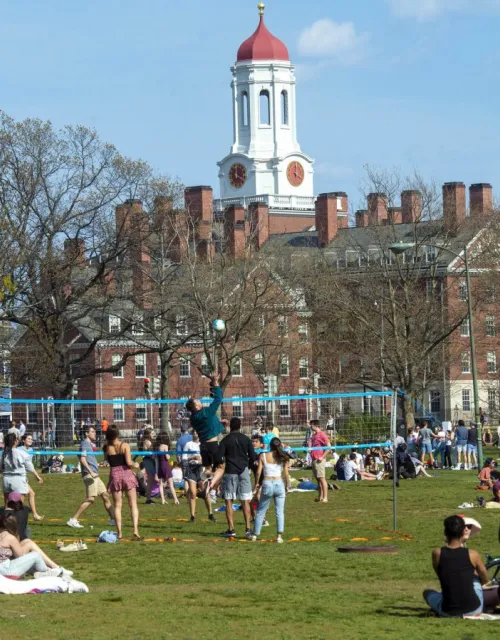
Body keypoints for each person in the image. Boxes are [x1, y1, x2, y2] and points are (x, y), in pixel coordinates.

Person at [423, 515, 488, 617]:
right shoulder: (473, 554)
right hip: (474, 610)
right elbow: (484, 578)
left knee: (427, 593)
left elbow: (441, 574)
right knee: (475, 579)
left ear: (445, 532)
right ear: (463, 532)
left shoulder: (437, 553)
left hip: (448, 611)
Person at [67, 426, 115, 529]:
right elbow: (83, 459)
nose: (95, 433)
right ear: (86, 433)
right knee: (91, 499)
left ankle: (113, 520)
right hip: (90, 475)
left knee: (105, 495)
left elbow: (87, 459)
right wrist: (91, 472)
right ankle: (73, 520)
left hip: (95, 475)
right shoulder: (85, 444)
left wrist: (98, 464)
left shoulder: (88, 444)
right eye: (92, 432)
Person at [0, 512, 71, 579]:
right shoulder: (9, 537)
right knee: (36, 555)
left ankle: (52, 570)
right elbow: (20, 557)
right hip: (5, 571)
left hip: (4, 567)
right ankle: (48, 571)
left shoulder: (3, 535)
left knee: (27, 542)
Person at [218, 417, 257, 539]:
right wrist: (248, 466)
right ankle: (248, 529)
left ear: (230, 426)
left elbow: (219, 457)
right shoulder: (246, 439)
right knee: (245, 500)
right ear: (240, 426)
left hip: (230, 471)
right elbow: (253, 456)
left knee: (229, 500)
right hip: (243, 470)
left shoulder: (225, 440)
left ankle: (231, 529)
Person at [186, 373, 224, 489]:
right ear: (196, 407)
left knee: (208, 469)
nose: (200, 402)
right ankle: (211, 486)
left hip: (203, 446)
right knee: (221, 468)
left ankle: (204, 480)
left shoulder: (193, 418)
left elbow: (208, 423)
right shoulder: (206, 413)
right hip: (212, 445)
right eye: (198, 402)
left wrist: (218, 422)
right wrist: (216, 384)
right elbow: (218, 399)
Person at [103, 426, 141, 540]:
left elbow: (109, 463)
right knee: (133, 504)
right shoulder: (124, 445)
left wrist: (109, 482)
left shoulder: (106, 448)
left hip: (115, 475)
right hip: (126, 474)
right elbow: (129, 462)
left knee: (117, 506)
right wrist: (136, 465)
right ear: (117, 434)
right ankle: (135, 529)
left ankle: (119, 532)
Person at [251, 438, 290, 543]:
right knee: (279, 511)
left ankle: (255, 534)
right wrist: (288, 485)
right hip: (279, 484)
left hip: (267, 483)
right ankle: (279, 536)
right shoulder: (283, 457)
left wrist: (256, 484)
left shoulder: (263, 455)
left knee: (261, 510)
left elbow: (258, 472)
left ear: (270, 445)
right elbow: (286, 474)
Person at [183, 431, 216, 523]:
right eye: (194, 432)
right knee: (193, 493)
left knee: (205, 492)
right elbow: (184, 459)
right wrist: (193, 458)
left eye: (197, 433)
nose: (195, 434)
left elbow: (209, 458)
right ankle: (192, 516)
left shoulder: (204, 445)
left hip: (202, 469)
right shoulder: (188, 444)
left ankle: (210, 513)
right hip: (191, 469)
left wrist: (203, 461)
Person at [1, 433, 42, 506]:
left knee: (7, 505)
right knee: (19, 506)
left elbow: (1, 468)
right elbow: (30, 468)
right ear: (15, 441)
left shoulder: (3, 454)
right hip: (18, 480)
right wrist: (37, 476)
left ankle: (7, 516)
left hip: (6, 480)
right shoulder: (21, 453)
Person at [20, 434, 44, 521]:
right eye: (28, 439)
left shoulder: (31, 450)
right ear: (23, 440)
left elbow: (30, 466)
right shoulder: (19, 450)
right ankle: (28, 515)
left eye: (31, 439)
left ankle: (33, 515)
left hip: (23, 476)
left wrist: (37, 476)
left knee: (29, 494)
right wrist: (37, 476)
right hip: (19, 476)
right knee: (25, 495)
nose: (30, 440)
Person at [154, 432, 179, 506]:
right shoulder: (165, 446)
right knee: (170, 483)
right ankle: (176, 499)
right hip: (165, 465)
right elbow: (167, 457)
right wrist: (169, 454)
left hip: (160, 466)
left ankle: (163, 500)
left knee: (161, 484)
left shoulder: (157, 447)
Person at [309, 420, 330, 503]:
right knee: (318, 479)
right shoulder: (314, 435)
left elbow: (329, 447)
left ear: (315, 426)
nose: (310, 427)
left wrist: (322, 457)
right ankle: (320, 496)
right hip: (314, 459)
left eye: (311, 425)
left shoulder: (322, 434)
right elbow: (310, 443)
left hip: (319, 459)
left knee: (322, 478)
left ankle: (325, 497)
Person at [141, 427, 156, 504]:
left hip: (149, 461)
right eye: (152, 433)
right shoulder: (147, 442)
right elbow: (152, 450)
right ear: (148, 434)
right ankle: (148, 499)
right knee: (150, 480)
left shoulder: (149, 441)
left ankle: (148, 498)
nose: (154, 434)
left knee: (151, 480)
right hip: (148, 461)